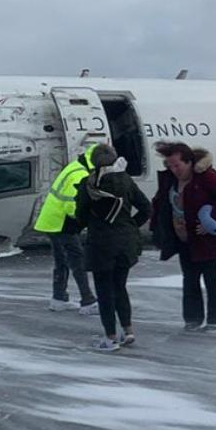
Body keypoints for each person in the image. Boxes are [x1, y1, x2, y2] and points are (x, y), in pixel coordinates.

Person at [151, 141, 216, 332]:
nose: (174, 170)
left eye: (177, 165)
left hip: (207, 239)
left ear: (189, 162)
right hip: (183, 239)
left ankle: (215, 320)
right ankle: (193, 319)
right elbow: (159, 202)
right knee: (189, 278)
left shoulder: (206, 178)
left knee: (211, 278)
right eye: (170, 166)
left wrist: (212, 220)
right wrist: (157, 226)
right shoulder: (170, 180)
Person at [74, 144, 150, 352]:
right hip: (126, 243)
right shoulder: (126, 180)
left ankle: (110, 337)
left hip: (101, 243)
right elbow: (146, 208)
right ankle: (128, 330)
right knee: (120, 287)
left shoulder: (88, 184)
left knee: (104, 290)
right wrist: (131, 225)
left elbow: (80, 215)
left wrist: (84, 223)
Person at [33, 145, 98, 314]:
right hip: (62, 223)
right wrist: (86, 220)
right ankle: (88, 300)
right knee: (77, 259)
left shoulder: (74, 166)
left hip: (52, 220)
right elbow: (72, 205)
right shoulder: (81, 175)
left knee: (61, 260)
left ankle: (59, 298)